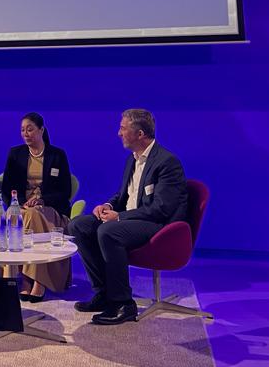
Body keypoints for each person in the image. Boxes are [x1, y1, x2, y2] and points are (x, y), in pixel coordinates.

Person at [70, 108, 187, 325]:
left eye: (123, 128)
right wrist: (107, 206)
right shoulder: (132, 159)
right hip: (130, 218)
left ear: (140, 134)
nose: (119, 133)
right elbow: (124, 195)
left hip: (157, 225)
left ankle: (123, 303)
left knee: (108, 231)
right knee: (78, 225)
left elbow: (161, 209)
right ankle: (104, 293)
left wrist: (119, 217)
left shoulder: (167, 162)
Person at [0, 112, 72, 301]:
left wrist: (42, 200)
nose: (25, 134)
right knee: (22, 215)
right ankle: (30, 278)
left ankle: (34, 280)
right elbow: (6, 187)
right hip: (21, 206)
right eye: (22, 130)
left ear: (41, 130)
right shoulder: (16, 154)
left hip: (50, 209)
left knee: (34, 214)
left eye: (30, 129)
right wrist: (19, 202)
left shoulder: (57, 155)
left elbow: (65, 191)